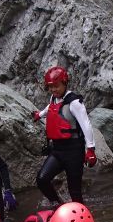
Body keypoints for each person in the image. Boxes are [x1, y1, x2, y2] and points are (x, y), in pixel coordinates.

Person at [32, 66, 97, 206]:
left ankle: (81, 219)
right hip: (58, 150)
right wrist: (40, 114)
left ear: (65, 83)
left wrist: (91, 149)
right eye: (50, 87)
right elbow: (50, 107)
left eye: (56, 86)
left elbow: (86, 125)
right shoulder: (53, 98)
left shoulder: (74, 102)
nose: (53, 90)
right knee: (42, 179)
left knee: (75, 193)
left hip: (74, 151)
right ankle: (58, 205)